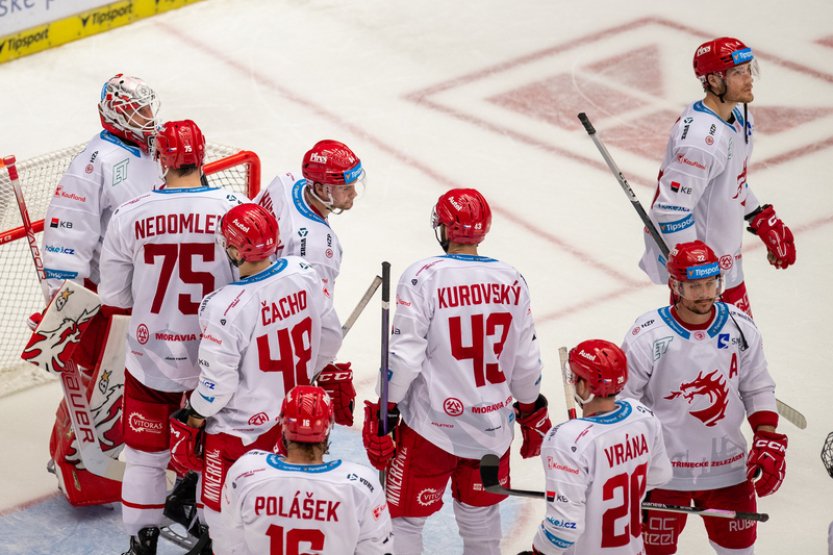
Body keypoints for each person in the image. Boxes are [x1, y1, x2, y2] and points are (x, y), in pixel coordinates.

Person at [362, 188, 551, 555]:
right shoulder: (512, 279)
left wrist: (385, 407)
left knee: (403, 521)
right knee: (480, 523)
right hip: (492, 430)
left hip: (430, 428)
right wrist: (530, 410)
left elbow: (403, 359)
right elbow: (527, 361)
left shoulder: (423, 276)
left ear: (444, 229)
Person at [97, 119, 245, 555]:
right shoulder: (236, 209)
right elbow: (253, 283)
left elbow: (113, 298)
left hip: (150, 358)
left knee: (145, 457)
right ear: (202, 155)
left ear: (161, 159)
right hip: (216, 360)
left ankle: (141, 543)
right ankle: (207, 533)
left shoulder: (131, 213)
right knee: (212, 453)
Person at [168, 203, 343, 554]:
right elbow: (331, 336)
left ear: (234, 250)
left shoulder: (224, 305)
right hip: (288, 421)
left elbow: (218, 386)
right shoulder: (303, 271)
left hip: (236, 432)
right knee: (276, 507)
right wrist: (306, 378)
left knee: (221, 517)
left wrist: (194, 415)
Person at [40, 73, 163, 507]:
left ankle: (75, 452)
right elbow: (66, 233)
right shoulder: (94, 163)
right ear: (114, 112)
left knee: (125, 386)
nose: (148, 118)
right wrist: (65, 300)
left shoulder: (153, 148)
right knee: (100, 390)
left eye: (149, 108)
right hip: (108, 297)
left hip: (148, 292)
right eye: (138, 111)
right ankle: (76, 466)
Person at [623, 240, 788, 555]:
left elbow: (757, 386)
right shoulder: (647, 334)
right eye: (695, 286)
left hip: (728, 471)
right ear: (675, 285)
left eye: (711, 283)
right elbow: (626, 403)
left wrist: (767, 437)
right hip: (663, 475)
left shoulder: (740, 326)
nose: (706, 293)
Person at [639, 37, 796, 315]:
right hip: (704, 286)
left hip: (726, 269)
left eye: (749, 70)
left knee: (741, 355)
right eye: (738, 73)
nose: (749, 79)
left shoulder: (740, 117)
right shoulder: (701, 140)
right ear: (712, 81)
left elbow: (733, 179)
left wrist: (760, 217)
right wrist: (697, 275)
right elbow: (671, 210)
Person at [254, 139, 365, 427]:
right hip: (265, 337)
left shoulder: (285, 181)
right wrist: (315, 368)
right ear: (320, 188)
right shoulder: (319, 249)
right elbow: (317, 323)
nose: (353, 193)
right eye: (344, 187)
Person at [527, 340, 672, 554]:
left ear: (584, 386)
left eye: (574, 378)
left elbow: (563, 530)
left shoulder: (567, 439)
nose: (572, 382)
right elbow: (661, 475)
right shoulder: (641, 415)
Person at [221, 385, 393, 554]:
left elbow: (230, 546)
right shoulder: (360, 486)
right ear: (328, 426)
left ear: (282, 424)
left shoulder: (246, 473)